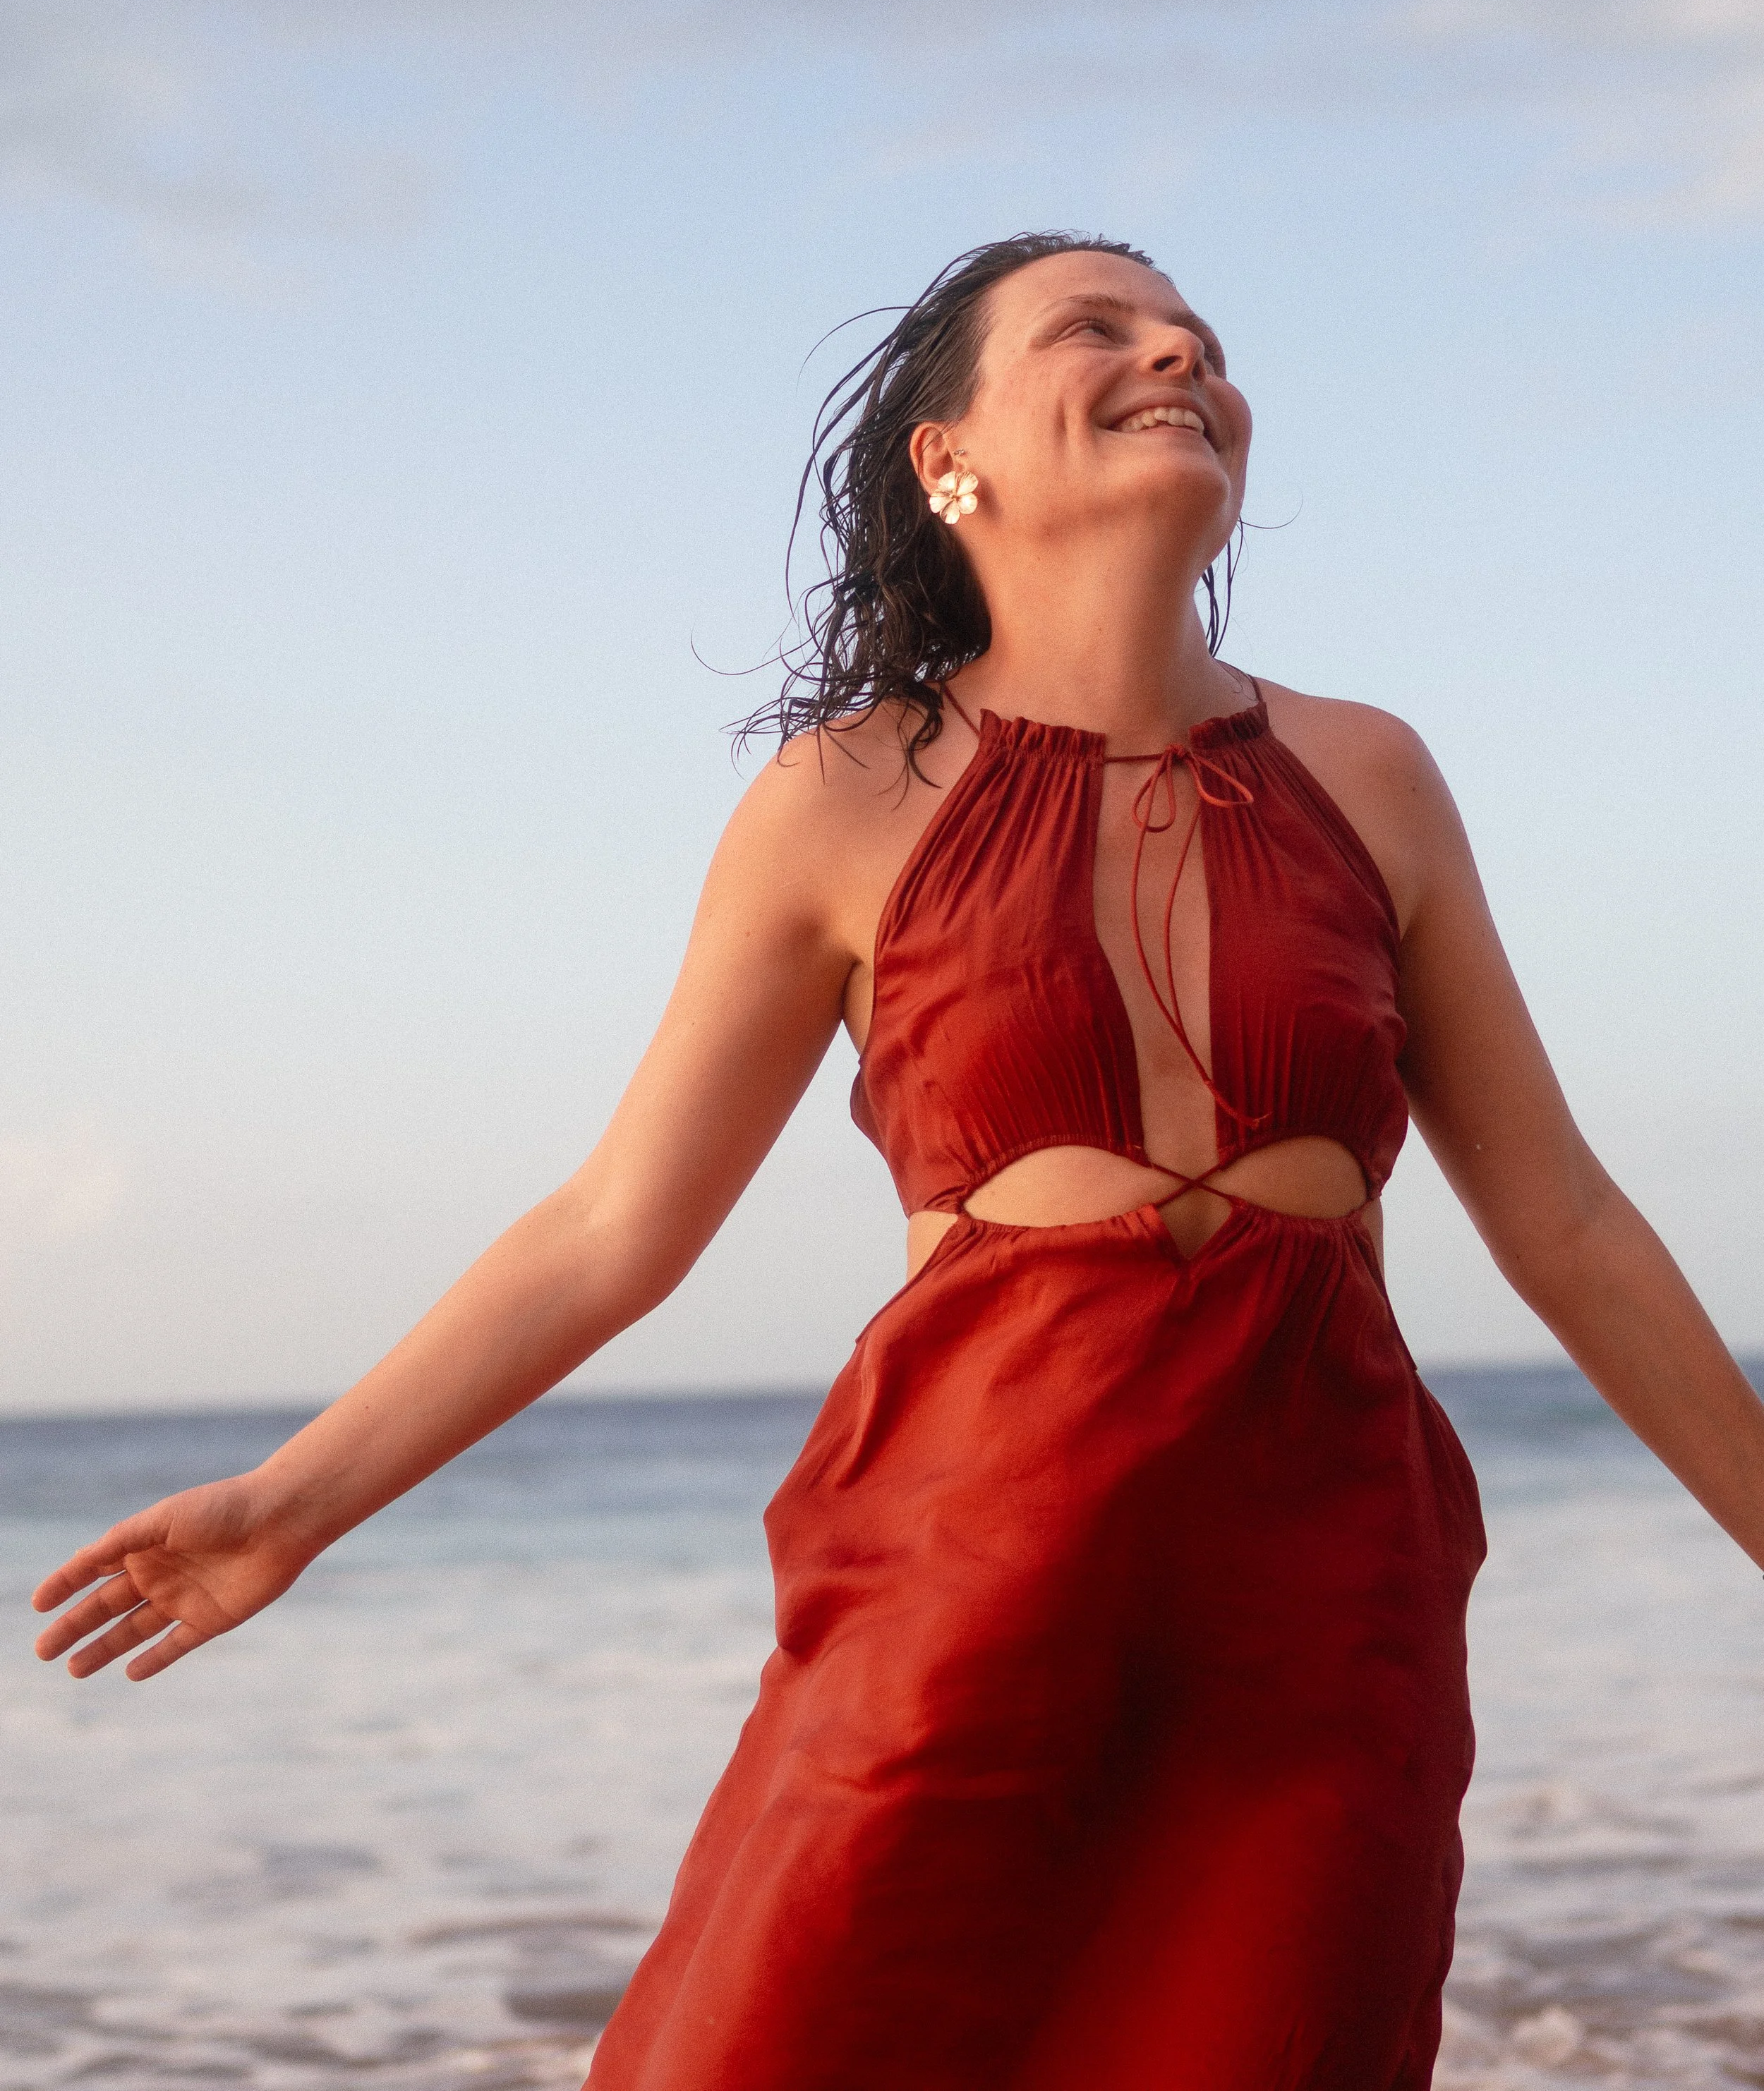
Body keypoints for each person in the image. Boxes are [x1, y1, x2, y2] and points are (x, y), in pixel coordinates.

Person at [33, 233, 1764, 2090]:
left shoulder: (1371, 775)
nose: (1175, 347)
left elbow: (1563, 1222)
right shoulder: (840, 802)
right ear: (954, 464)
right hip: (966, 1558)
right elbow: (617, 1226)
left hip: (1319, 1586)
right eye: (1095, 328)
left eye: (1193, 333)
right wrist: (295, 1501)